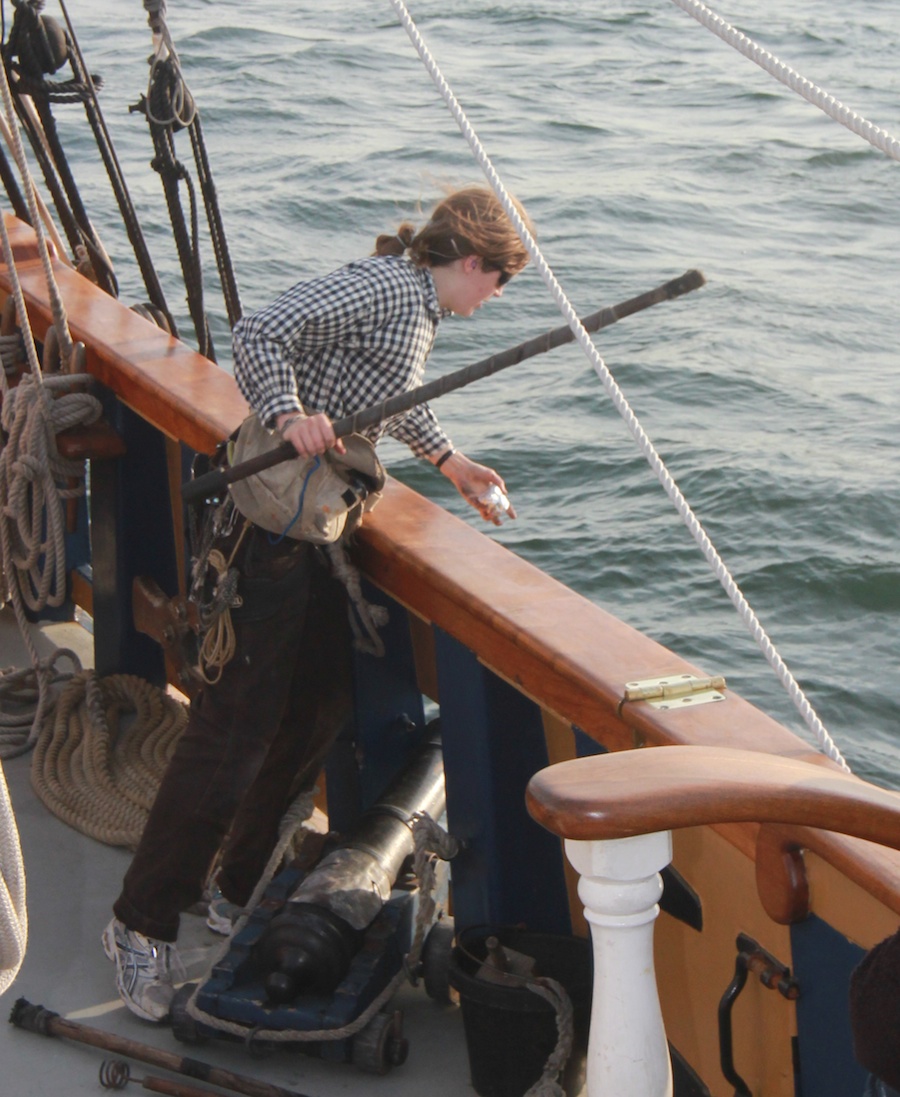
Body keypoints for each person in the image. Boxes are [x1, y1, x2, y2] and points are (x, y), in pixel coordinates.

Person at [102, 184, 534, 1021]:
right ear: (473, 264)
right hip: (265, 537)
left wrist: (453, 464)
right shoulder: (386, 286)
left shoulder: (416, 304)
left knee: (315, 707)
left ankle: (232, 885)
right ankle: (139, 924)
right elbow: (261, 329)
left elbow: (389, 394)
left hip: (313, 537)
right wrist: (286, 411)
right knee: (230, 736)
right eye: (499, 283)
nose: (495, 301)